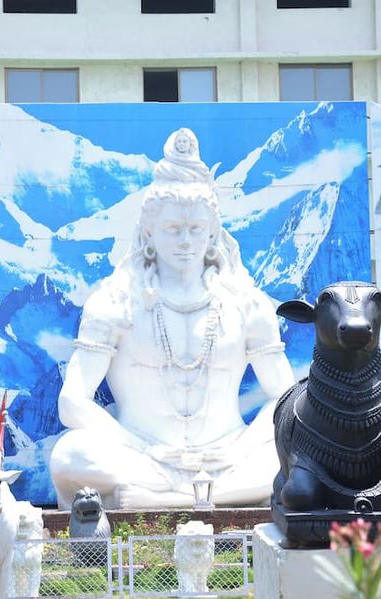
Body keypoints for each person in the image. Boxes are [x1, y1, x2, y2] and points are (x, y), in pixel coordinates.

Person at [49, 128, 295, 509]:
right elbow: (72, 401)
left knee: (288, 454)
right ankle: (209, 499)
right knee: (70, 453)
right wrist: (142, 449)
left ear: (213, 233)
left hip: (229, 458)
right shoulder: (115, 302)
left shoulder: (247, 304)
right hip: (140, 457)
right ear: (148, 233)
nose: (185, 241)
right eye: (172, 229)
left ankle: (167, 500)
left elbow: (286, 399)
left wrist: (241, 449)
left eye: (196, 229)